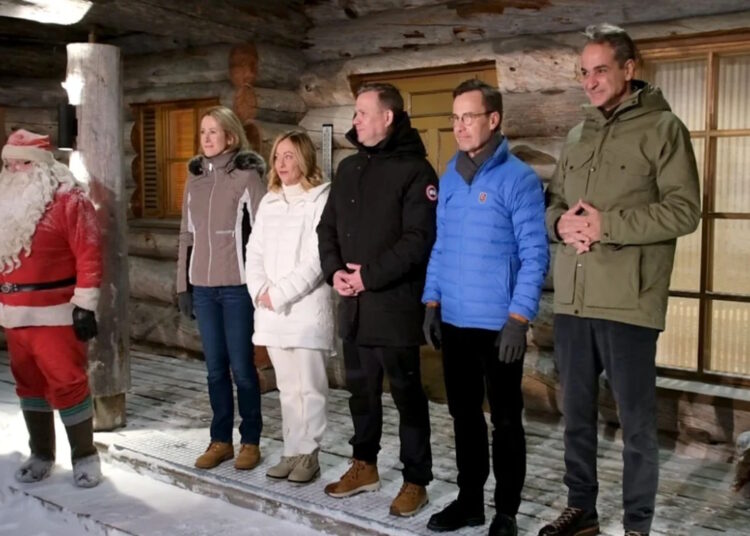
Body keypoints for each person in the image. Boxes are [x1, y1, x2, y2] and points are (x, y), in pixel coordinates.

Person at [540, 24, 701, 536]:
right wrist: (559, 225)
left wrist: (606, 226)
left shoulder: (664, 129)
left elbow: (684, 211)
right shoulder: (577, 135)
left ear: (629, 69)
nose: (589, 81)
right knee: (576, 417)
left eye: (600, 70)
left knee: (636, 424)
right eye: (583, 72)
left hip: (629, 303)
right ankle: (582, 511)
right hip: (574, 301)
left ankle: (636, 525)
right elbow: (554, 204)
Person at [421, 80, 549, 536]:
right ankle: (470, 502)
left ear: (493, 120)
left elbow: (535, 255)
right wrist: (432, 301)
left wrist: (518, 318)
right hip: (455, 319)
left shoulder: (519, 179)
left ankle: (506, 512)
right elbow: (441, 246)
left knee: (506, 421)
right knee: (464, 416)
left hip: (499, 326)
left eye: (468, 117)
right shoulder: (450, 178)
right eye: (455, 118)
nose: (459, 126)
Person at [317, 82, 438, 517]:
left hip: (394, 306)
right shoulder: (349, 168)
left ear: (388, 117)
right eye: (355, 113)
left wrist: (367, 277)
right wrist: (335, 271)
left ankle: (415, 480)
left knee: (407, 397)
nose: (355, 120)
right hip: (353, 306)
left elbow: (417, 240)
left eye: (362, 113)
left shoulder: (416, 171)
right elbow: (326, 227)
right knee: (361, 393)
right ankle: (364, 465)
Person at [0, 129, 102, 488]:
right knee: (28, 385)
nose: (15, 170)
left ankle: (85, 456)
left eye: (23, 164)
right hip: (13, 312)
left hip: (56, 311)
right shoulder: (4, 203)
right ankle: (41, 453)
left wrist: (85, 305)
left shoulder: (69, 199)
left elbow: (89, 252)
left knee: (67, 382)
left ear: (42, 165)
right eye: (9, 164)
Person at [176, 106, 266, 471]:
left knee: (242, 368)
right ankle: (220, 440)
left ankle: (251, 441)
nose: (207, 138)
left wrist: (260, 285)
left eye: (214, 131)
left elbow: (262, 234)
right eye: (203, 132)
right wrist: (182, 285)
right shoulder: (194, 179)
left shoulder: (247, 177)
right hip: (203, 289)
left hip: (237, 289)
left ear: (230, 136)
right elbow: (186, 235)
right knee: (214, 369)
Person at [245, 130, 334, 484]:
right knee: (288, 388)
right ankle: (292, 450)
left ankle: (309, 452)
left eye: (289, 156)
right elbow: (254, 251)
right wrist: (259, 290)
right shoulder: (269, 202)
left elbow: (317, 260)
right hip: (271, 312)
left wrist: (279, 293)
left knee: (310, 388)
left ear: (305, 159)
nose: (281, 164)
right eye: (277, 156)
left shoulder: (320, 200)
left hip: (306, 311)